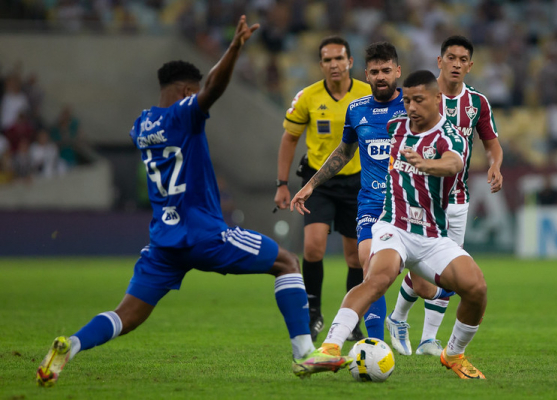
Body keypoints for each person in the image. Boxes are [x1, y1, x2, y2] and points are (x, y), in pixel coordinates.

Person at [36, 16, 350, 387]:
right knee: (287, 261)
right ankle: (304, 355)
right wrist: (234, 48)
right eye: (194, 92)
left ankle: (69, 346)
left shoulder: (142, 124)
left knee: (128, 314)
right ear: (187, 90)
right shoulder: (184, 114)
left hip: (164, 240)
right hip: (203, 233)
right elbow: (213, 90)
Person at [292, 70, 488, 380]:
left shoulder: (451, 136)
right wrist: (313, 184)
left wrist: (426, 165)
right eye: (407, 100)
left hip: (431, 236)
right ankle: (328, 349)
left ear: (437, 99)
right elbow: (347, 149)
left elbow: (454, 163)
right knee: (376, 278)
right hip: (392, 226)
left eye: (418, 100)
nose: (411, 107)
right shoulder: (395, 126)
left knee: (476, 288)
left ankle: (453, 354)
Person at [290, 42, 455, 341]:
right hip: (370, 205)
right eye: (375, 71)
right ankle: (376, 343)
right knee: (369, 264)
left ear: (398, 71)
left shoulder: (412, 106)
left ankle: (441, 288)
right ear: (366, 74)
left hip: (408, 205)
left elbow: (442, 140)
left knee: (424, 287)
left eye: (387, 70)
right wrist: (311, 184)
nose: (381, 76)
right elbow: (343, 152)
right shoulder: (356, 110)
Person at [387, 35, 503, 358]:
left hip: (457, 199)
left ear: (470, 65)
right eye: (450, 57)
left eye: (462, 59)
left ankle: (425, 338)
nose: (455, 64)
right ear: (439, 62)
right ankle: (399, 318)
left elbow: (492, 142)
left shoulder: (477, 104)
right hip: (419, 197)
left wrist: (496, 165)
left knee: (448, 277)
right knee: (419, 264)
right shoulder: (420, 95)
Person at [274, 36, 372, 342]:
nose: (334, 64)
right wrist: (282, 184)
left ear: (350, 62)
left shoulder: (368, 93)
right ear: (321, 65)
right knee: (313, 246)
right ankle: (314, 312)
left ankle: (352, 317)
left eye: (339, 58)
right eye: (327, 60)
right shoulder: (308, 96)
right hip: (318, 181)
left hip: (357, 182)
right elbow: (289, 138)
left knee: (355, 258)